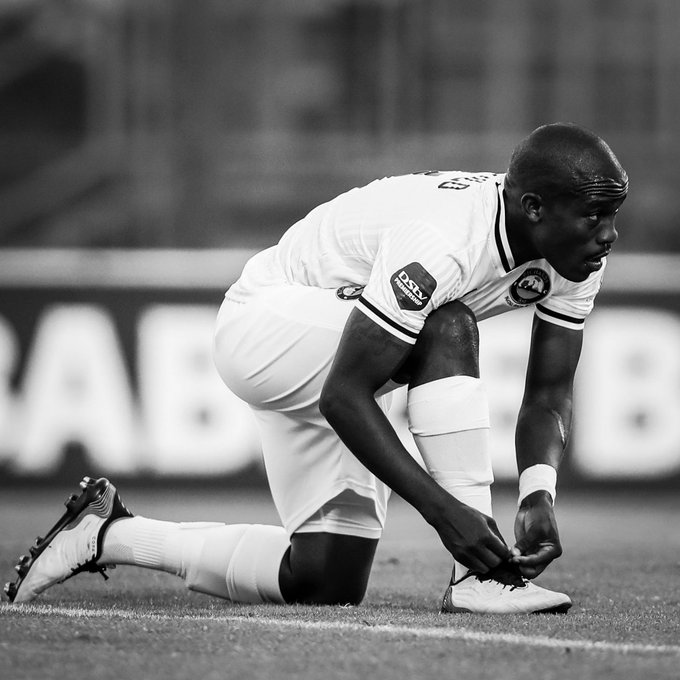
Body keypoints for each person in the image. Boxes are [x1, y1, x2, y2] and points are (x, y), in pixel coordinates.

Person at [6, 122, 628, 614]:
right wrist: (447, 514)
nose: (608, 235)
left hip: (354, 355)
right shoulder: (444, 241)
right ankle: (479, 579)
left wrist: (538, 492)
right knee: (448, 324)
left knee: (324, 578)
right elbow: (345, 394)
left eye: (612, 215)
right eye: (594, 216)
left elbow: (547, 392)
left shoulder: (573, 255)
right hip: (267, 327)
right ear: (534, 207)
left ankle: (106, 533)